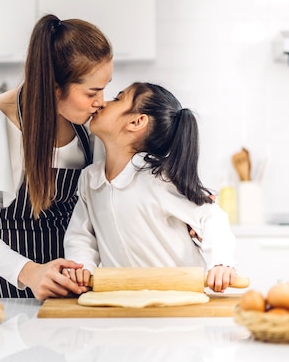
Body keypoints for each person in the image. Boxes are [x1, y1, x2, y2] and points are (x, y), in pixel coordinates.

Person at [0, 14, 113, 301]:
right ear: (55, 89)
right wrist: (30, 272)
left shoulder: (88, 123)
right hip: (10, 287)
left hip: (74, 283)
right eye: (92, 92)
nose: (102, 101)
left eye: (106, 87)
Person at [63, 82, 238, 293]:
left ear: (136, 121)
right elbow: (81, 234)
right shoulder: (90, 179)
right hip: (126, 301)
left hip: (180, 298)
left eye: (118, 99)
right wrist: (81, 265)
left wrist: (221, 262)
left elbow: (211, 217)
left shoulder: (158, 177)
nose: (102, 103)